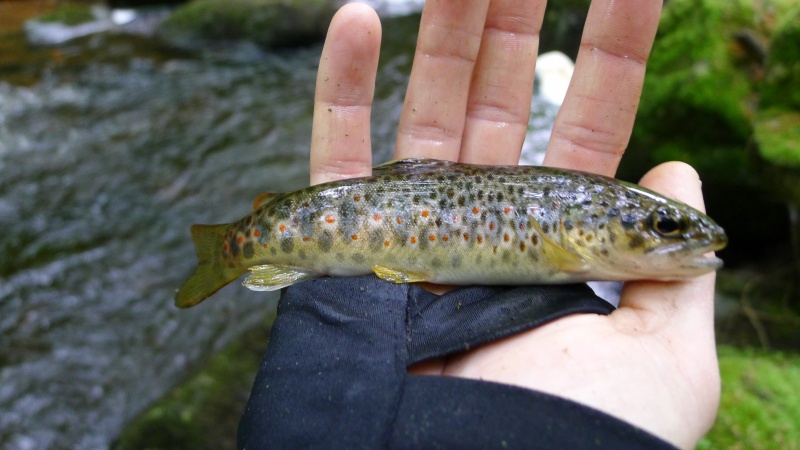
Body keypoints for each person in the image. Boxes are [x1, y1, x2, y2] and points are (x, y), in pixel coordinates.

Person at [238, 2, 720, 449]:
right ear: (589, 227)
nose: (678, 239)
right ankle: (237, 247)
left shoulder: (580, 232)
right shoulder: (576, 241)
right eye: (664, 226)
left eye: (663, 226)